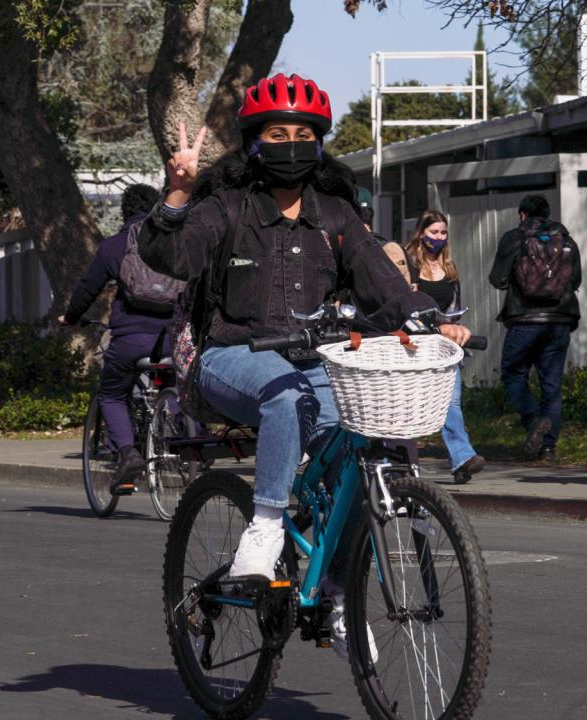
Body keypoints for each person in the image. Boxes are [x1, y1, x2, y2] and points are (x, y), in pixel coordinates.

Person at [138, 73, 466, 658]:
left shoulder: (336, 215)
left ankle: (336, 595)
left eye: (302, 134)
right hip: (227, 359)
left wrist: (428, 318)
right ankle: (265, 528)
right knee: (286, 396)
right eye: (276, 133)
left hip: (312, 360)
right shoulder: (226, 208)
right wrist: (179, 193)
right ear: (255, 143)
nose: (290, 144)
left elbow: (382, 281)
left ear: (318, 144)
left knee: (359, 445)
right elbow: (171, 256)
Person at [59, 183, 167, 494]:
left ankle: (128, 454)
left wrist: (70, 316)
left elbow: (87, 288)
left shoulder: (116, 245)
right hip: (173, 337)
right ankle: (190, 432)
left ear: (125, 212)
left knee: (111, 394)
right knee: (183, 381)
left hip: (131, 339)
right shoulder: (177, 241)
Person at [393, 209, 486, 483]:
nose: (439, 237)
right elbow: (400, 304)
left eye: (443, 232)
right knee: (406, 407)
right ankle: (399, 464)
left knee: (451, 401)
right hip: (413, 344)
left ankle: (462, 459)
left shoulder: (449, 267)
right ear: (421, 233)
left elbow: (455, 310)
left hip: (443, 344)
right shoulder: (407, 263)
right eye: (434, 232)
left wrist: (457, 336)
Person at [488, 194, 582, 461]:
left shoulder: (515, 238)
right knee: (551, 384)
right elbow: (576, 280)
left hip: (524, 321)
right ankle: (549, 447)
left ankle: (533, 422)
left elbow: (497, 278)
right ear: (547, 214)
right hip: (560, 321)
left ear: (522, 215)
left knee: (512, 373)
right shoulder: (565, 240)